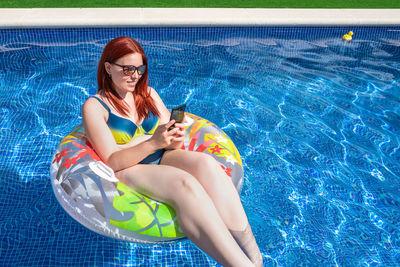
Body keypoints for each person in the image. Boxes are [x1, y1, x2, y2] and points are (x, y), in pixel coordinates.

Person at [82, 36, 263, 267]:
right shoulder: (95, 107)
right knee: (184, 183)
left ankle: (256, 257)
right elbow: (111, 160)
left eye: (139, 69)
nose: (135, 75)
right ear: (108, 67)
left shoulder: (148, 94)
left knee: (206, 164)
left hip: (163, 155)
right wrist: (152, 141)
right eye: (127, 69)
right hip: (130, 169)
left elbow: (173, 145)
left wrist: (175, 134)